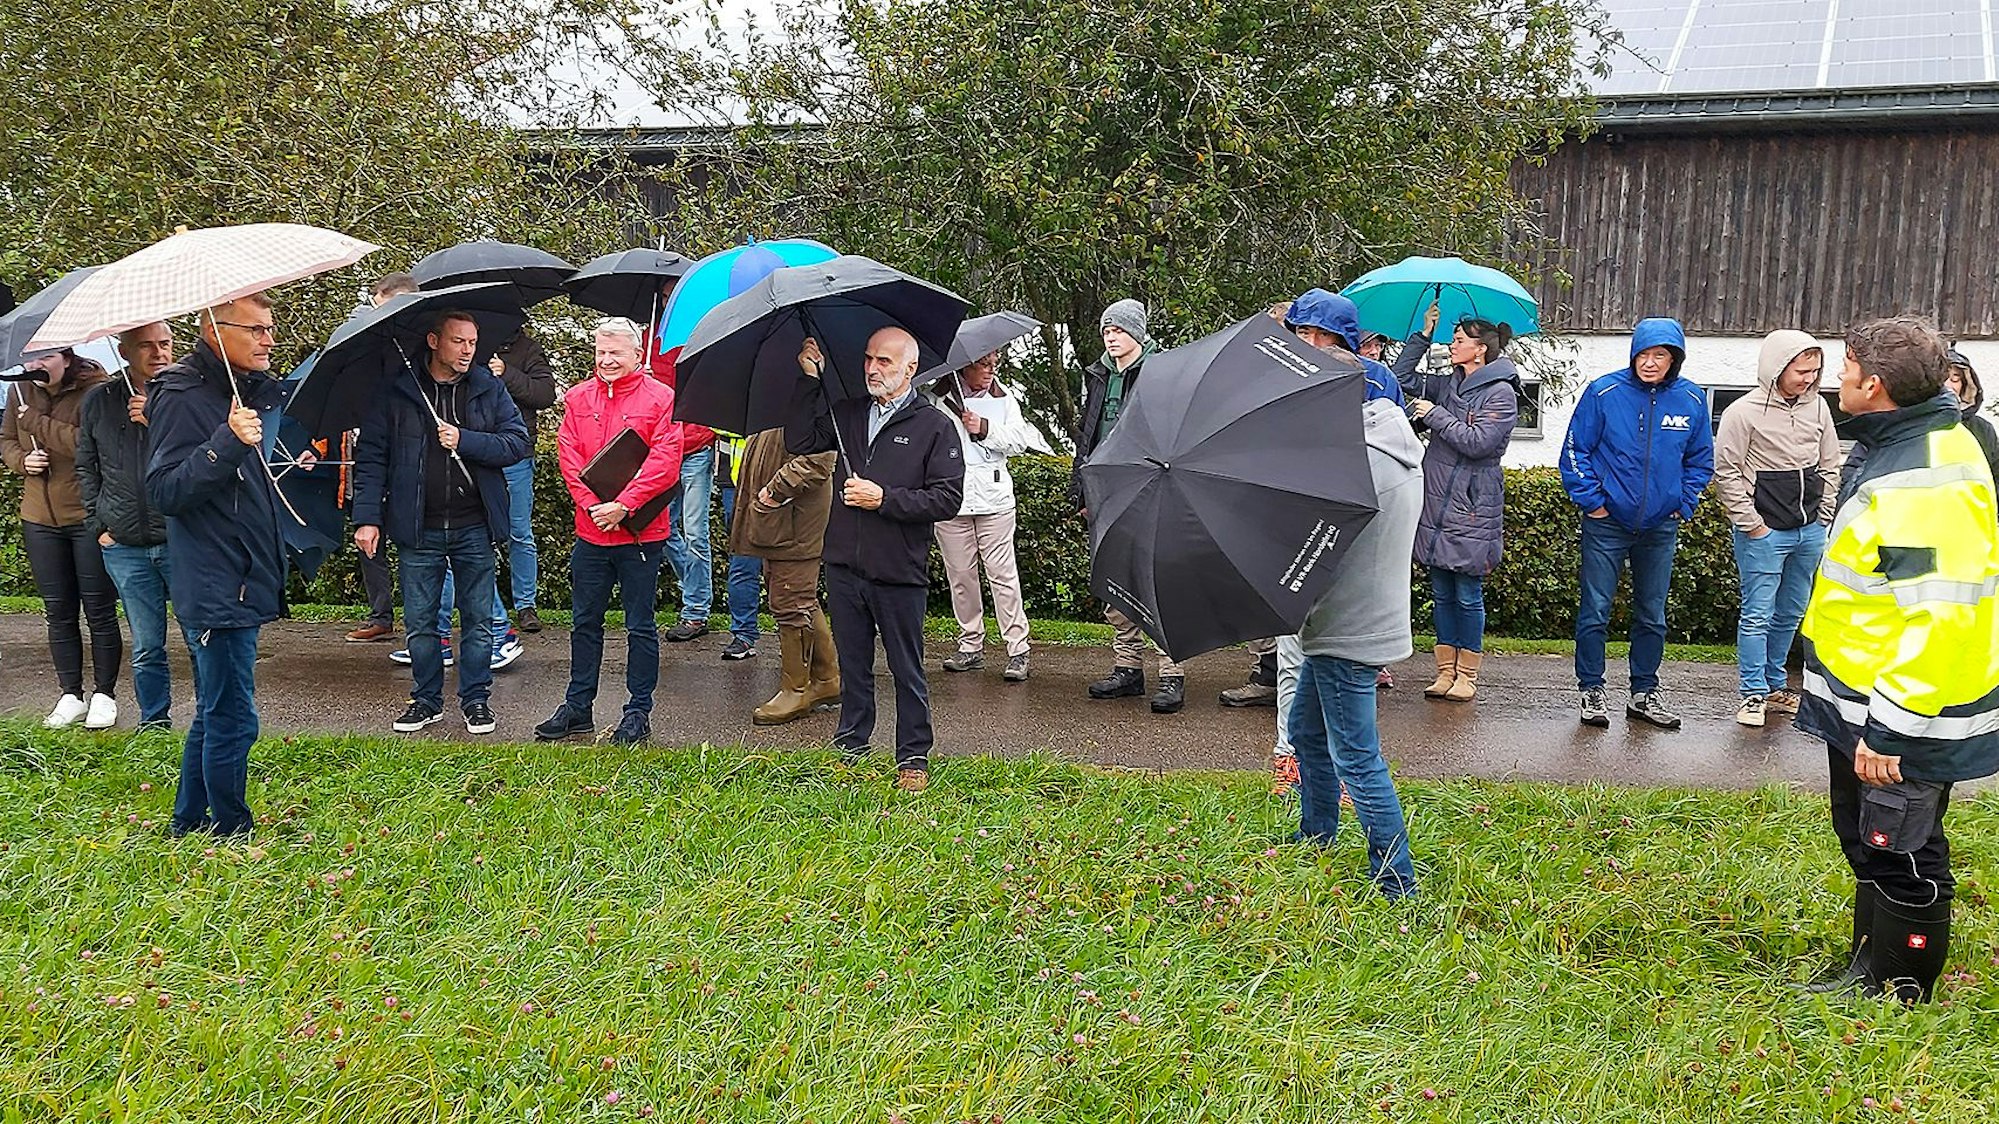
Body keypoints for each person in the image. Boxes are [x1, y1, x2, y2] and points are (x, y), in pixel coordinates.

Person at [1796, 316, 1999, 1003]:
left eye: (1845, 369)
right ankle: (1866, 967)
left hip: (1898, 709)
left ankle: (1898, 985)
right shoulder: (1901, 442)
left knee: (1899, 844)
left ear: (1873, 384)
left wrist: (1892, 726)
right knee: (1866, 835)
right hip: (1865, 695)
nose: (1836, 380)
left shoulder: (1928, 475)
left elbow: (1940, 613)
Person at [787, 327, 964, 791]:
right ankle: (851, 743)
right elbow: (800, 439)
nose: (872, 368)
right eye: (869, 359)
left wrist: (883, 498)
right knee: (854, 662)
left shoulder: (935, 425)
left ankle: (913, 756)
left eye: (884, 361)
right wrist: (809, 379)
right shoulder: (847, 413)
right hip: (845, 562)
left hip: (898, 569)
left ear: (910, 368)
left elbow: (946, 499)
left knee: (907, 667)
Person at [1278, 347, 1426, 899]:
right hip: (1359, 620)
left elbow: (1317, 547)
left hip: (1348, 626)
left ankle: (1396, 882)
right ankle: (1317, 833)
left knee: (1357, 756)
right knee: (1306, 732)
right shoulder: (1391, 446)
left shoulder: (1355, 465)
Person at [146, 292, 287, 837]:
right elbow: (165, 491)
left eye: (269, 329)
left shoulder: (236, 390)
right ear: (213, 330)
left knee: (214, 709)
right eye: (255, 330)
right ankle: (230, 829)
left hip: (239, 573)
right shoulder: (182, 395)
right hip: (215, 577)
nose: (268, 340)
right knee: (232, 716)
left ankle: (188, 821)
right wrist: (226, 441)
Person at [1227, 291, 1408, 717]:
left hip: (1354, 527)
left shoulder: (1378, 379)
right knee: (1293, 654)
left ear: (1343, 337)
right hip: (1294, 527)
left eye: (1321, 334)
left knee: (1343, 664)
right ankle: (1289, 757)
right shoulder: (1276, 374)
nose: (1309, 343)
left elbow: (1389, 451)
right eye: (1302, 331)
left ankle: (1339, 762)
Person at [352, 311, 530, 736]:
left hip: (474, 523)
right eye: (458, 341)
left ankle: (476, 701)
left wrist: (464, 439)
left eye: (472, 342)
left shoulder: (488, 388)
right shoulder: (398, 392)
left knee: (477, 619)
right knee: (421, 621)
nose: (468, 350)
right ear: (434, 341)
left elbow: (517, 442)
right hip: (418, 524)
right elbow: (372, 458)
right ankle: (426, 700)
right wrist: (367, 517)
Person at [535, 318, 684, 747]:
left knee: (641, 625)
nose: (607, 360)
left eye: (616, 352)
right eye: (601, 352)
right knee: (584, 622)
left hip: (641, 534)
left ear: (638, 355)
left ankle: (638, 712)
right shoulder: (578, 397)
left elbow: (665, 460)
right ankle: (578, 707)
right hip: (592, 532)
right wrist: (594, 506)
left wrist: (625, 505)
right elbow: (569, 456)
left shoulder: (662, 398)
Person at [1560, 317, 1714, 730]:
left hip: (1661, 526)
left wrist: (1684, 502)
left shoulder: (1692, 400)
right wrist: (1594, 503)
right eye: (1643, 354)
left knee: (1652, 614)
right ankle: (1591, 689)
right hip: (1607, 524)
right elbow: (1576, 450)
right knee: (1595, 609)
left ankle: (1644, 692)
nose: (1649, 363)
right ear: (1633, 355)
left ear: (1674, 359)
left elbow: (1700, 460)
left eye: (1659, 355)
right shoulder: (1604, 392)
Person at [1713, 331, 1840, 728]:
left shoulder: (1818, 407)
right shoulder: (1742, 413)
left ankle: (1775, 686)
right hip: (1765, 533)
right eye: (1802, 370)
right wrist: (1752, 525)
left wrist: (1825, 513)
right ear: (1777, 368)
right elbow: (1726, 471)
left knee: (1790, 613)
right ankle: (1752, 694)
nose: (1809, 378)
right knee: (1758, 614)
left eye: (1815, 371)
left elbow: (1831, 463)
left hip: (1809, 530)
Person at [1074, 300, 1186, 713]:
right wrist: (1081, 489)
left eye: (1118, 330)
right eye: (1106, 330)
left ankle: (1171, 672)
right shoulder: (1098, 374)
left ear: (1136, 333)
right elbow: (1088, 433)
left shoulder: (1162, 372)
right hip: (1106, 491)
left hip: (1151, 489)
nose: (1111, 337)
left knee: (1157, 582)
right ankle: (1128, 668)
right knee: (1113, 578)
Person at [3, 346, 121, 728]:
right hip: (39, 517)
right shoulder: (18, 392)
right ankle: (71, 693)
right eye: (30, 359)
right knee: (58, 610)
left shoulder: (96, 392)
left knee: (99, 609)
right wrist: (22, 460)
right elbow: (5, 439)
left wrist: (36, 423)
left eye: (46, 357)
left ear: (67, 359)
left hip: (85, 516)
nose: (35, 366)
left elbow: (86, 443)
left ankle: (105, 694)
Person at [1405, 315, 1521, 703]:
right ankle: (1444, 671)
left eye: (1457, 340)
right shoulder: (1447, 384)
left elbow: (1478, 442)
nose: (1451, 345)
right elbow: (1402, 377)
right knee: (1441, 591)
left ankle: (1467, 675)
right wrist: (1422, 335)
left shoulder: (1501, 394)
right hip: (1437, 498)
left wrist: (1433, 414)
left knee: (1468, 593)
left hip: (1472, 505)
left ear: (1480, 349)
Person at [76, 322, 181, 731]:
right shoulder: (99, 400)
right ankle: (154, 722)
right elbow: (87, 465)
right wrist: (99, 524)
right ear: (124, 351)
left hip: (178, 536)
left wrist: (156, 421)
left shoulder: (186, 394)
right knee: (147, 644)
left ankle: (212, 720)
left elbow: (199, 457)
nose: (159, 353)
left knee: (199, 638)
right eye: (147, 346)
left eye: (166, 344)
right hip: (123, 543)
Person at [929, 348, 1037, 682]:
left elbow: (1021, 440)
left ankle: (1018, 650)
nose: (991, 371)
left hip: (995, 501)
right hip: (951, 502)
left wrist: (985, 427)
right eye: (983, 364)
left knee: (1003, 577)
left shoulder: (1004, 398)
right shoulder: (936, 397)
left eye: (995, 364)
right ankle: (970, 645)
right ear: (965, 365)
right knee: (961, 576)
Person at [731, 425, 839, 723]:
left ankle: (796, 690)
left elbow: (818, 461)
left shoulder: (810, 401)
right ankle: (827, 679)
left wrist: (773, 492)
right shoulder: (781, 405)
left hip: (795, 522)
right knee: (798, 597)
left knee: (792, 602)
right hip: (779, 522)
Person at [346, 272, 417, 644]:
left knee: (420, 545)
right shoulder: (367, 348)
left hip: (412, 459)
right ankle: (381, 615)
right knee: (369, 534)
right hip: (372, 450)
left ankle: (427, 628)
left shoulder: (424, 350)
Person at [489, 326, 556, 635]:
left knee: (519, 533)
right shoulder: (469, 348)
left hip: (517, 454)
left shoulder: (529, 349)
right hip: (481, 454)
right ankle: (486, 605)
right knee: (478, 536)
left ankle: (525, 605)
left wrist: (506, 373)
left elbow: (545, 394)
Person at [649, 345, 718, 643]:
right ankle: (695, 591)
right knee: (662, 529)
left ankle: (696, 610)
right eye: (663, 293)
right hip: (663, 448)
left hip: (695, 448)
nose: (666, 295)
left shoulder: (708, 338)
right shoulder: (648, 340)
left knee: (695, 532)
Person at [714, 431, 764, 660]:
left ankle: (796, 639)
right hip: (735, 485)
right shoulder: (729, 396)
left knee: (787, 571)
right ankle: (744, 635)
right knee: (742, 564)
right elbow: (717, 422)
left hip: (782, 482)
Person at [1943, 349, 1999, 488]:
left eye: (1955, 378)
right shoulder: (1916, 425)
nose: (1949, 386)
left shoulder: (1982, 428)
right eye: (1943, 378)